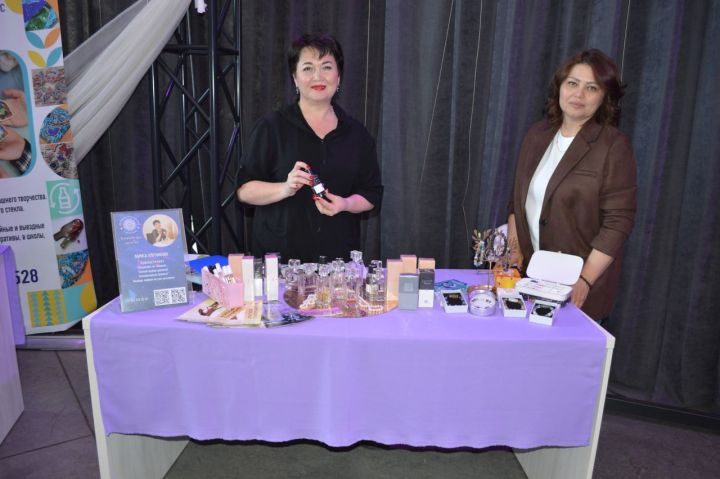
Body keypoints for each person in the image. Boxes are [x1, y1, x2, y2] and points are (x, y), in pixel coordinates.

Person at [507, 48, 637, 322]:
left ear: (604, 97)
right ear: (559, 88)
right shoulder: (537, 135)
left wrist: (585, 279)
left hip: (579, 288)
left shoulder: (613, 146)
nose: (579, 94)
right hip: (530, 281)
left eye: (591, 88)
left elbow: (618, 223)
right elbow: (517, 203)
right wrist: (513, 252)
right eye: (573, 83)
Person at [236, 33, 383, 262]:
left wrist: (345, 204)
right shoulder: (271, 127)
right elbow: (244, 192)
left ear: (339, 76)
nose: (318, 76)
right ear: (294, 78)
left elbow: (371, 194)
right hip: (280, 262)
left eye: (327, 67)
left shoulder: (357, 134)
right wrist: (285, 188)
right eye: (307, 68)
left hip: (337, 263)